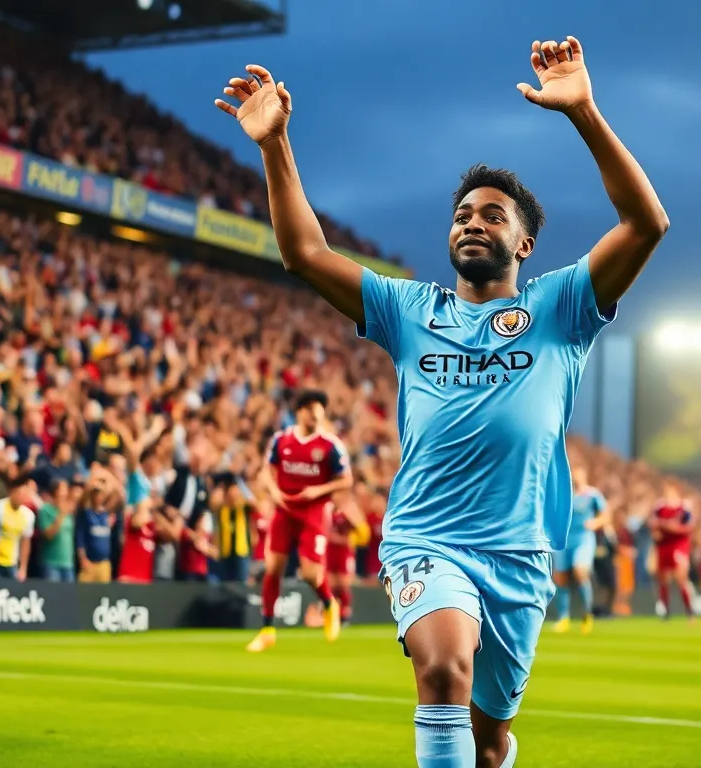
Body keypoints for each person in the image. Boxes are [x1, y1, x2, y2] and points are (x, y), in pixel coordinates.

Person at [215, 34, 667, 767]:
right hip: (427, 537)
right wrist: (275, 146)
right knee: (443, 671)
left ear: (525, 245)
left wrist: (584, 112)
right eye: (462, 215)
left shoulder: (559, 308)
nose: (472, 222)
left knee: (488, 745)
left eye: (493, 215)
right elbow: (305, 254)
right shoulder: (409, 310)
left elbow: (646, 225)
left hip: (520, 553)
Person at [247, 390, 354, 652]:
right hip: (284, 510)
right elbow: (267, 471)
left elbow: (346, 480)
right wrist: (274, 492)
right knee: (273, 567)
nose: (314, 416)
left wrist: (317, 491)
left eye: (319, 412)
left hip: (313, 512)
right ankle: (267, 629)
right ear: (300, 412)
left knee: (309, 574)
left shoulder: (330, 445)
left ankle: (329, 603)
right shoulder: (281, 440)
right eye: (310, 410)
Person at [551, 468, 607, 634]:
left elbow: (605, 516)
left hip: (583, 539)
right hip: (564, 540)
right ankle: (563, 618)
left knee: (579, 570)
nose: (575, 477)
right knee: (560, 577)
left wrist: (595, 523)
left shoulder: (592, 494)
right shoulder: (563, 493)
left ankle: (587, 614)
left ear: (584, 476)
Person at [649, 482, 696, 623]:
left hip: (678, 545)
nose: (667, 494)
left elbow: (689, 527)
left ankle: (689, 611)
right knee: (663, 579)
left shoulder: (684, 507)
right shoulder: (659, 507)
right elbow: (652, 524)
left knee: (681, 577)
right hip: (663, 545)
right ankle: (665, 611)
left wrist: (674, 528)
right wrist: (657, 531)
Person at [325, 487, 372, 625]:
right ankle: (331, 613)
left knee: (343, 583)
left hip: (344, 551)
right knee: (330, 583)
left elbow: (363, 534)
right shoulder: (327, 508)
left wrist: (348, 539)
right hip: (329, 550)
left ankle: (344, 614)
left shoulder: (350, 510)